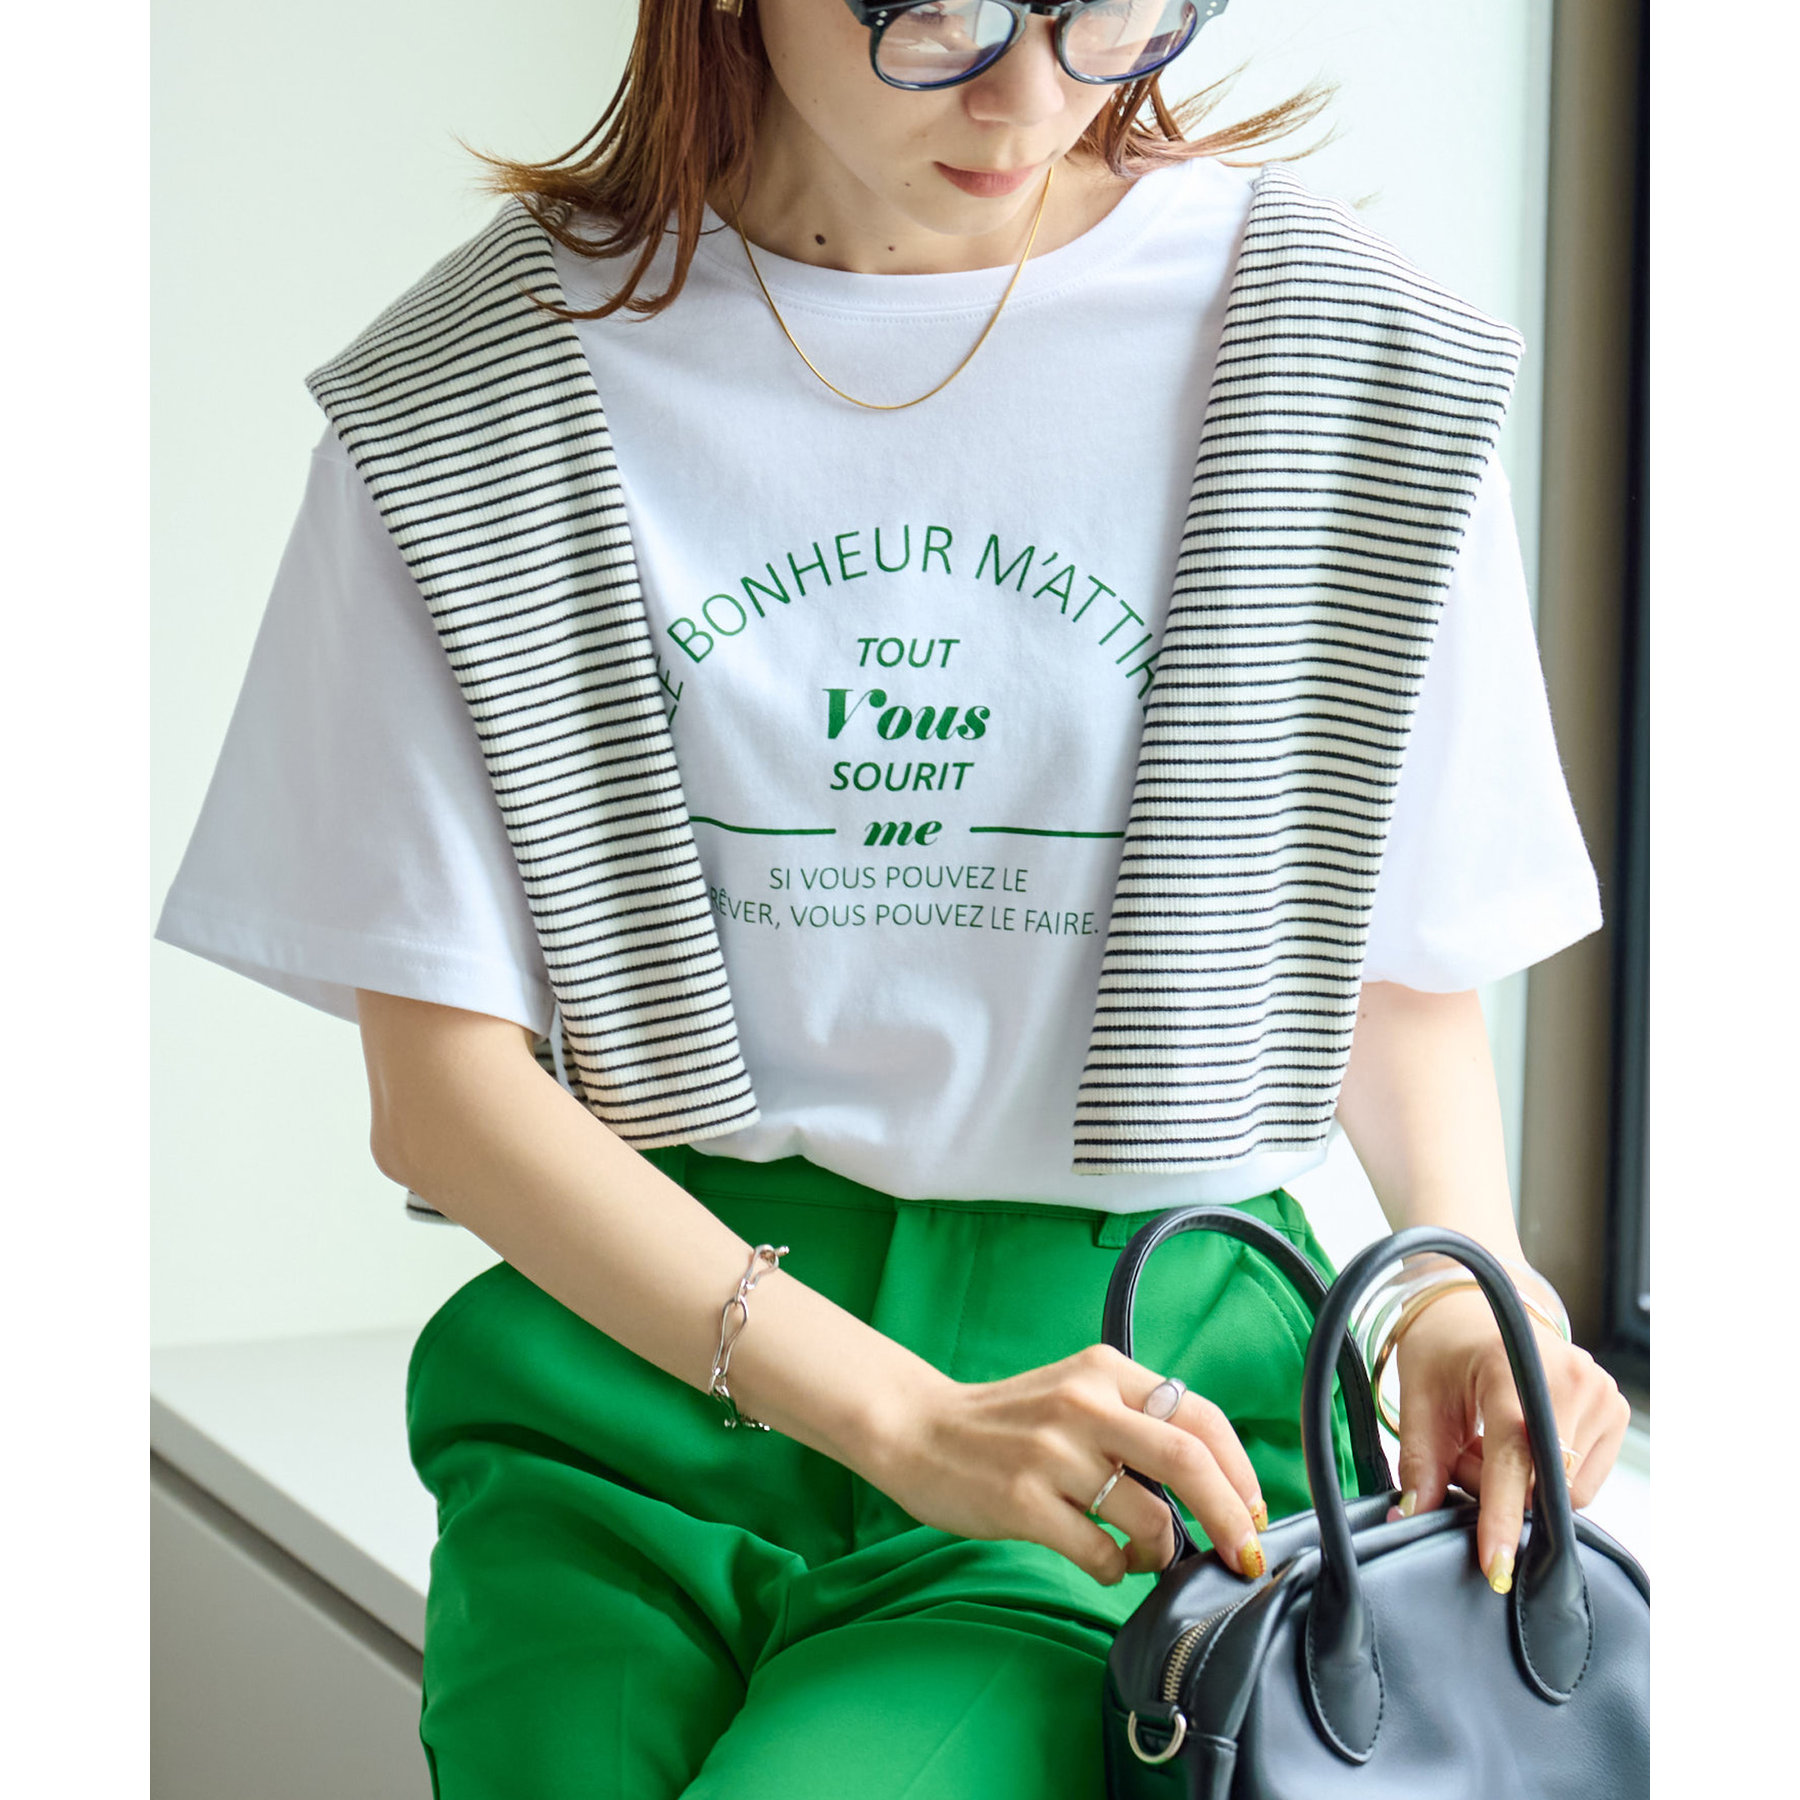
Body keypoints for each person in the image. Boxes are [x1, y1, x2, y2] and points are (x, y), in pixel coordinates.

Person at [154, 2, 1635, 1794]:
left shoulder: (1338, 360)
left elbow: (1383, 959)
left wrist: (1459, 1294)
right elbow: (442, 1096)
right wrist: (901, 1416)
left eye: (1109, 11)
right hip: (621, 1374)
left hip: (1122, 1396)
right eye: (935, 15)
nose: (1031, 95)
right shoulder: (475, 395)